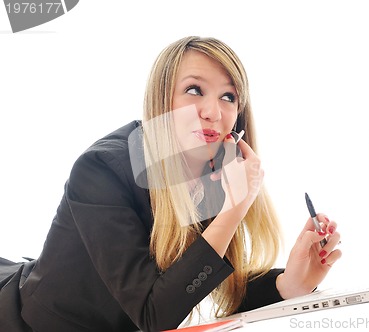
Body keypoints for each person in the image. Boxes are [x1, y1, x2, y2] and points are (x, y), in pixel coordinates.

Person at [0, 36, 342, 332]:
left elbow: (192, 284)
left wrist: (288, 285)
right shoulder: (101, 169)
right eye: (194, 90)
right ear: (162, 99)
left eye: (228, 97)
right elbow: (155, 314)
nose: (213, 111)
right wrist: (233, 210)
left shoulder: (212, 169)